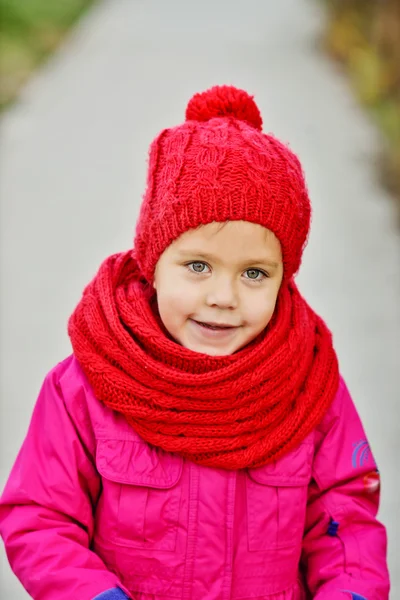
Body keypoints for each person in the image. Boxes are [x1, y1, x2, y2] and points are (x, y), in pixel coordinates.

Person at [0, 85, 390, 600]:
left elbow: (345, 519)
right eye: (198, 266)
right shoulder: (87, 386)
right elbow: (41, 517)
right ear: (153, 262)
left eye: (254, 273)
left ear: (284, 278)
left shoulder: (307, 385)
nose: (223, 297)